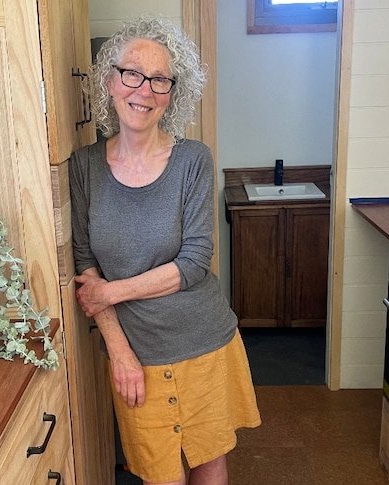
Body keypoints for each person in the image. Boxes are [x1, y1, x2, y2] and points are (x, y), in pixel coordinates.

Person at [69, 15, 261, 485]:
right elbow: (84, 263)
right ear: (110, 82)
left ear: (173, 93)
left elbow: (194, 263)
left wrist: (111, 293)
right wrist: (120, 352)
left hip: (204, 339)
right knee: (161, 474)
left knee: (209, 459)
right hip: (138, 351)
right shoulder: (84, 166)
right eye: (132, 74)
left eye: (160, 80)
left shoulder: (193, 159)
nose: (144, 90)